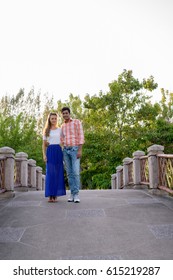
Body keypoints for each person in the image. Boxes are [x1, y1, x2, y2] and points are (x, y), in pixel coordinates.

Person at [61, 107, 84, 203]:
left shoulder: (76, 122)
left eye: (66, 113)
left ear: (69, 113)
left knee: (75, 172)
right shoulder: (62, 126)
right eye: (63, 113)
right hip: (66, 150)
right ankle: (72, 193)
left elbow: (81, 136)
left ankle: (76, 194)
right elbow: (61, 139)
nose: (65, 114)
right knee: (69, 173)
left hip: (75, 149)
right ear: (62, 115)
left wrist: (80, 150)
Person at [42, 112, 66, 202]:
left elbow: (65, 139)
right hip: (50, 151)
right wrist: (44, 155)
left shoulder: (60, 130)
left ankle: (55, 195)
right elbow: (44, 145)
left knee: (57, 173)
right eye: (52, 118)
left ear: (57, 119)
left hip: (58, 151)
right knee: (50, 173)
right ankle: (50, 195)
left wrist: (62, 144)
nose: (54, 120)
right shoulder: (46, 131)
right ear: (49, 119)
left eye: (55, 118)